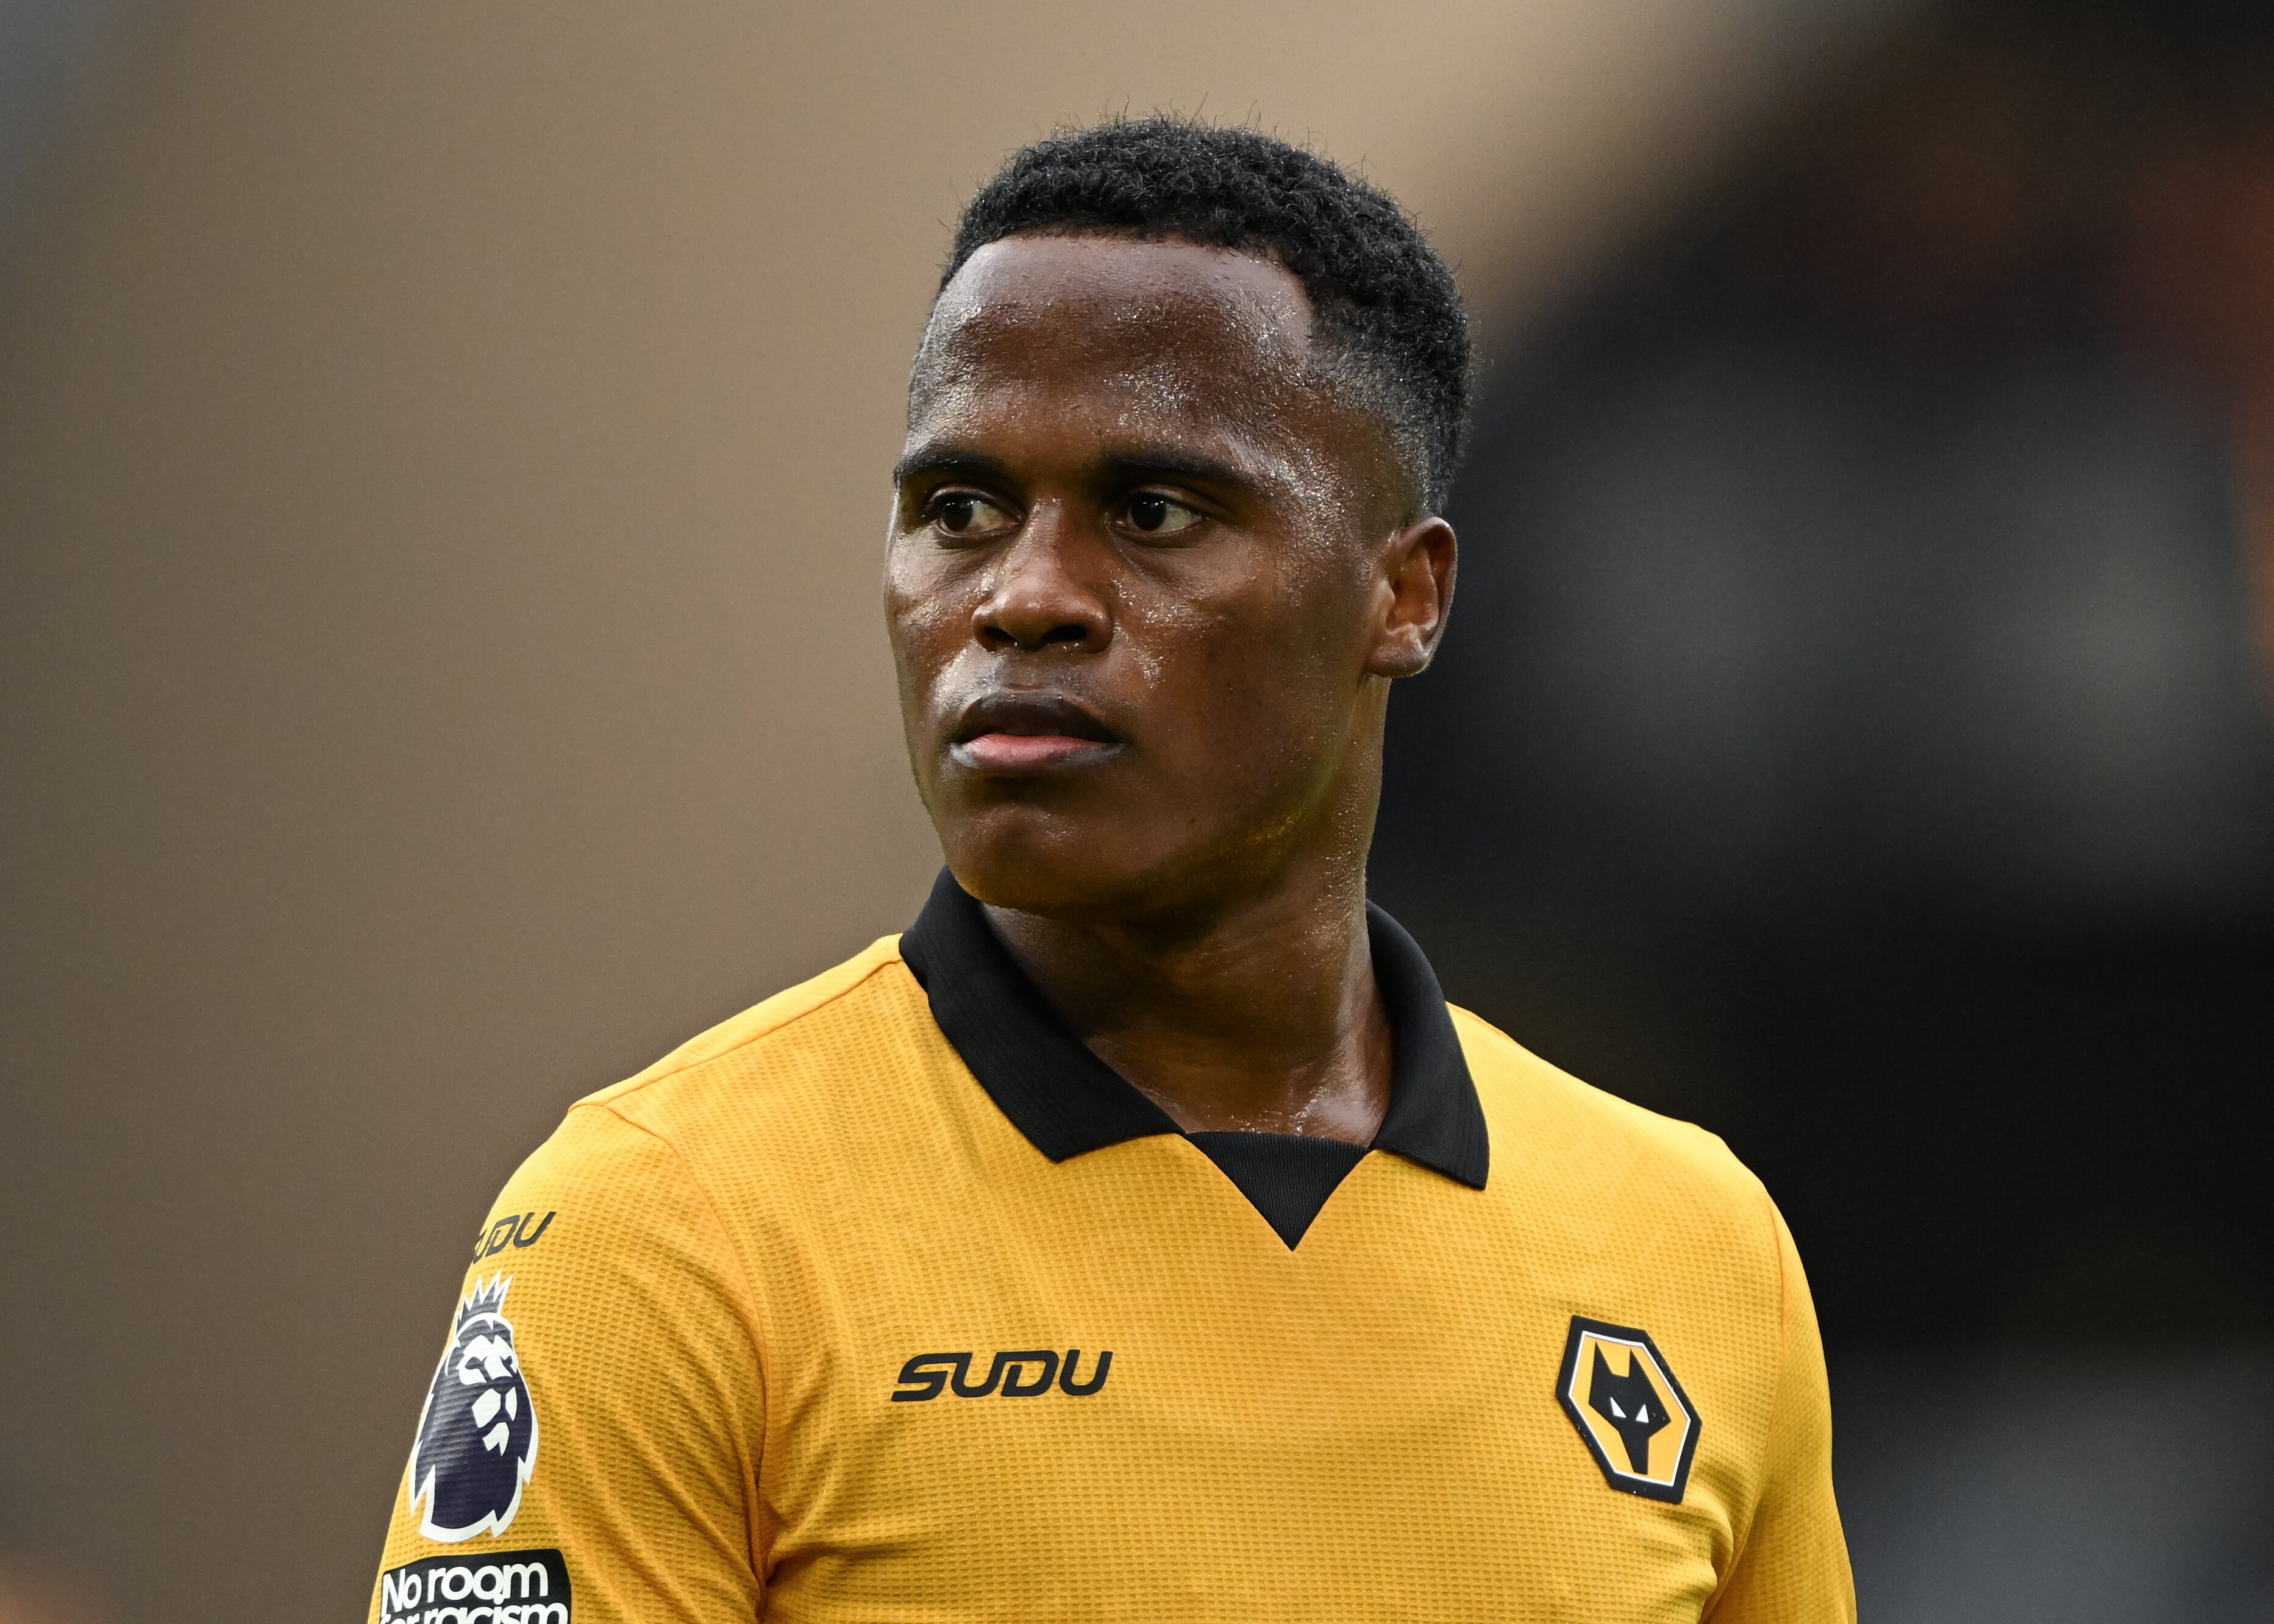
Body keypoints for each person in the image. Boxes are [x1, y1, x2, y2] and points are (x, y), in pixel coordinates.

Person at [369, 118, 1853, 1623]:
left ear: (1400, 597)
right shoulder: (666, 1232)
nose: (1021, 599)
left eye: (1153, 514)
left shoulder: (1691, 1250)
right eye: (958, 512)